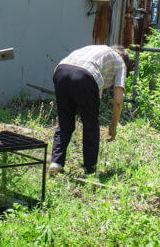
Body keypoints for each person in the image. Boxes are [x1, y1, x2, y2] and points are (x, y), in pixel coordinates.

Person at [48, 44, 131, 176]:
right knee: (90, 124)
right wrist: (113, 126)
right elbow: (118, 100)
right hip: (85, 76)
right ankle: (90, 169)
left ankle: (56, 162)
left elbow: (62, 70)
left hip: (60, 71)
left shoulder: (97, 50)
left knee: (65, 124)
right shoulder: (120, 63)